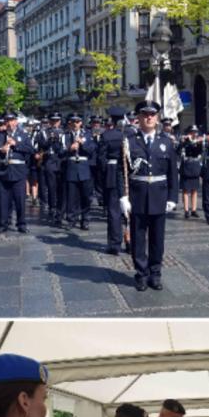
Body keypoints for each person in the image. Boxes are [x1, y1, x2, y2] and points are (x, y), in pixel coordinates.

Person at [122, 101, 179, 292]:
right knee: (138, 238)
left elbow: (172, 172)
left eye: (152, 114)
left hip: (159, 195)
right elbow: (121, 172)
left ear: (157, 117)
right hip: (137, 196)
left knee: (157, 239)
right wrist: (123, 197)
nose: (149, 118)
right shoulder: (129, 142)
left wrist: (172, 198)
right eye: (145, 114)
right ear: (138, 118)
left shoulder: (166, 142)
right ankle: (141, 274)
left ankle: (155, 274)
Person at [0, 112, 35, 235]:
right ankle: (2, 223)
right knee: (3, 200)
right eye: (7, 121)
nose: (9, 123)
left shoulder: (23, 134)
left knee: (20, 200)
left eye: (12, 120)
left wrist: (17, 144)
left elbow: (31, 150)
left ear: (16, 121)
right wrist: (0, 150)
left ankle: (21, 223)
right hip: (3, 170)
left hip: (18, 171)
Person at [96, 107, 129, 254]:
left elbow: (101, 159)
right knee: (129, 209)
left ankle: (115, 244)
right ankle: (130, 242)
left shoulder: (107, 135)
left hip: (112, 173)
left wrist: (104, 172)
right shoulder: (131, 133)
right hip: (129, 175)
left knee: (114, 211)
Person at [61, 114, 97, 231]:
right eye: (73, 122)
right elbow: (59, 152)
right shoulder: (65, 135)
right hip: (71, 167)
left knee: (86, 196)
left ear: (81, 123)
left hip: (84, 167)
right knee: (72, 196)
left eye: (78, 122)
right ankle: (71, 219)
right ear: (70, 123)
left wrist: (82, 143)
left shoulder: (87, 134)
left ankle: (85, 219)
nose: (75, 124)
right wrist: (68, 149)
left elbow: (92, 150)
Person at [37, 113, 66, 227]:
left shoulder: (64, 132)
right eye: (53, 121)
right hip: (49, 160)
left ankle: (61, 208)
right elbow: (41, 145)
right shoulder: (44, 132)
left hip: (61, 160)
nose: (55, 123)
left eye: (57, 120)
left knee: (61, 187)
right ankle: (52, 207)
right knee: (51, 186)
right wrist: (50, 140)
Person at [178, 124, 204, 219]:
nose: (194, 134)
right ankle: (186, 210)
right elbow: (178, 150)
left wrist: (199, 143)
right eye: (192, 132)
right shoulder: (184, 141)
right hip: (186, 167)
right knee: (185, 190)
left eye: (195, 132)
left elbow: (198, 151)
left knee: (194, 190)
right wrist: (185, 141)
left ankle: (194, 209)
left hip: (194, 167)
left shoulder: (197, 142)